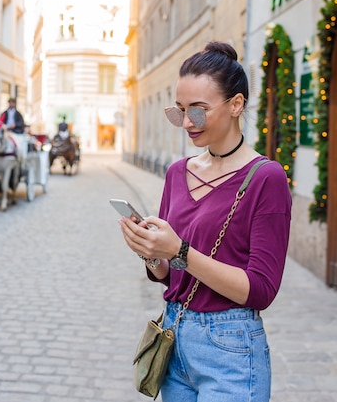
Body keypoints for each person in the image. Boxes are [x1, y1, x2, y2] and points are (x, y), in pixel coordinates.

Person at [117, 41, 292, 402]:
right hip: (173, 337)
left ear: (236, 105)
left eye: (197, 111)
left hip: (230, 349)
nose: (185, 123)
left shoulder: (265, 178)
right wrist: (150, 252)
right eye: (179, 111)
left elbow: (261, 289)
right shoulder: (178, 172)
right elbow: (168, 273)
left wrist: (179, 249)